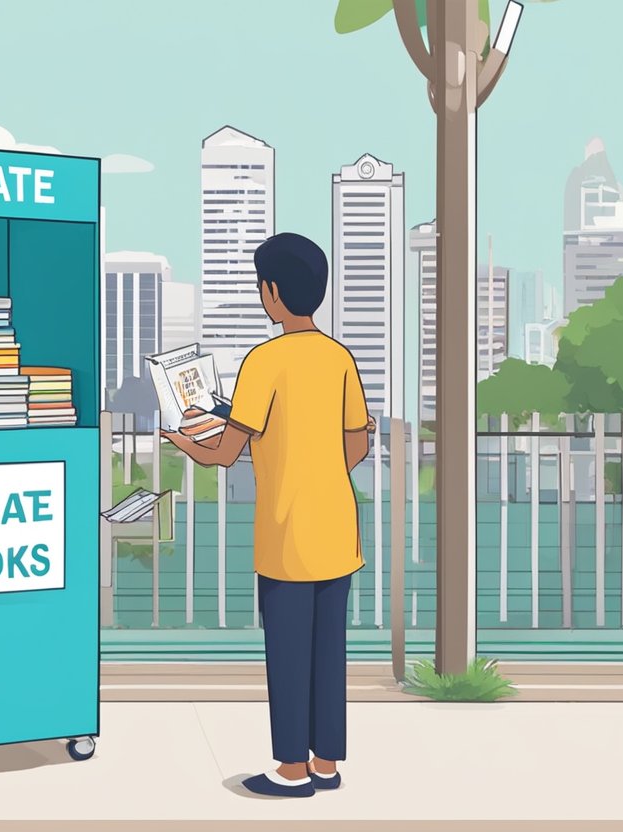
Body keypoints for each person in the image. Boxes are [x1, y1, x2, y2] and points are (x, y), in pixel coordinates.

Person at [162, 232, 373, 798]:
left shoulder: (264, 360)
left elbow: (225, 453)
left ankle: (290, 771)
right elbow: (358, 442)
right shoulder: (339, 357)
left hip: (287, 533)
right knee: (330, 653)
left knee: (286, 653)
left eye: (262, 286)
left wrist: (181, 439)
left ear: (272, 292)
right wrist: (314, 459)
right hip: (338, 529)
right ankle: (326, 763)